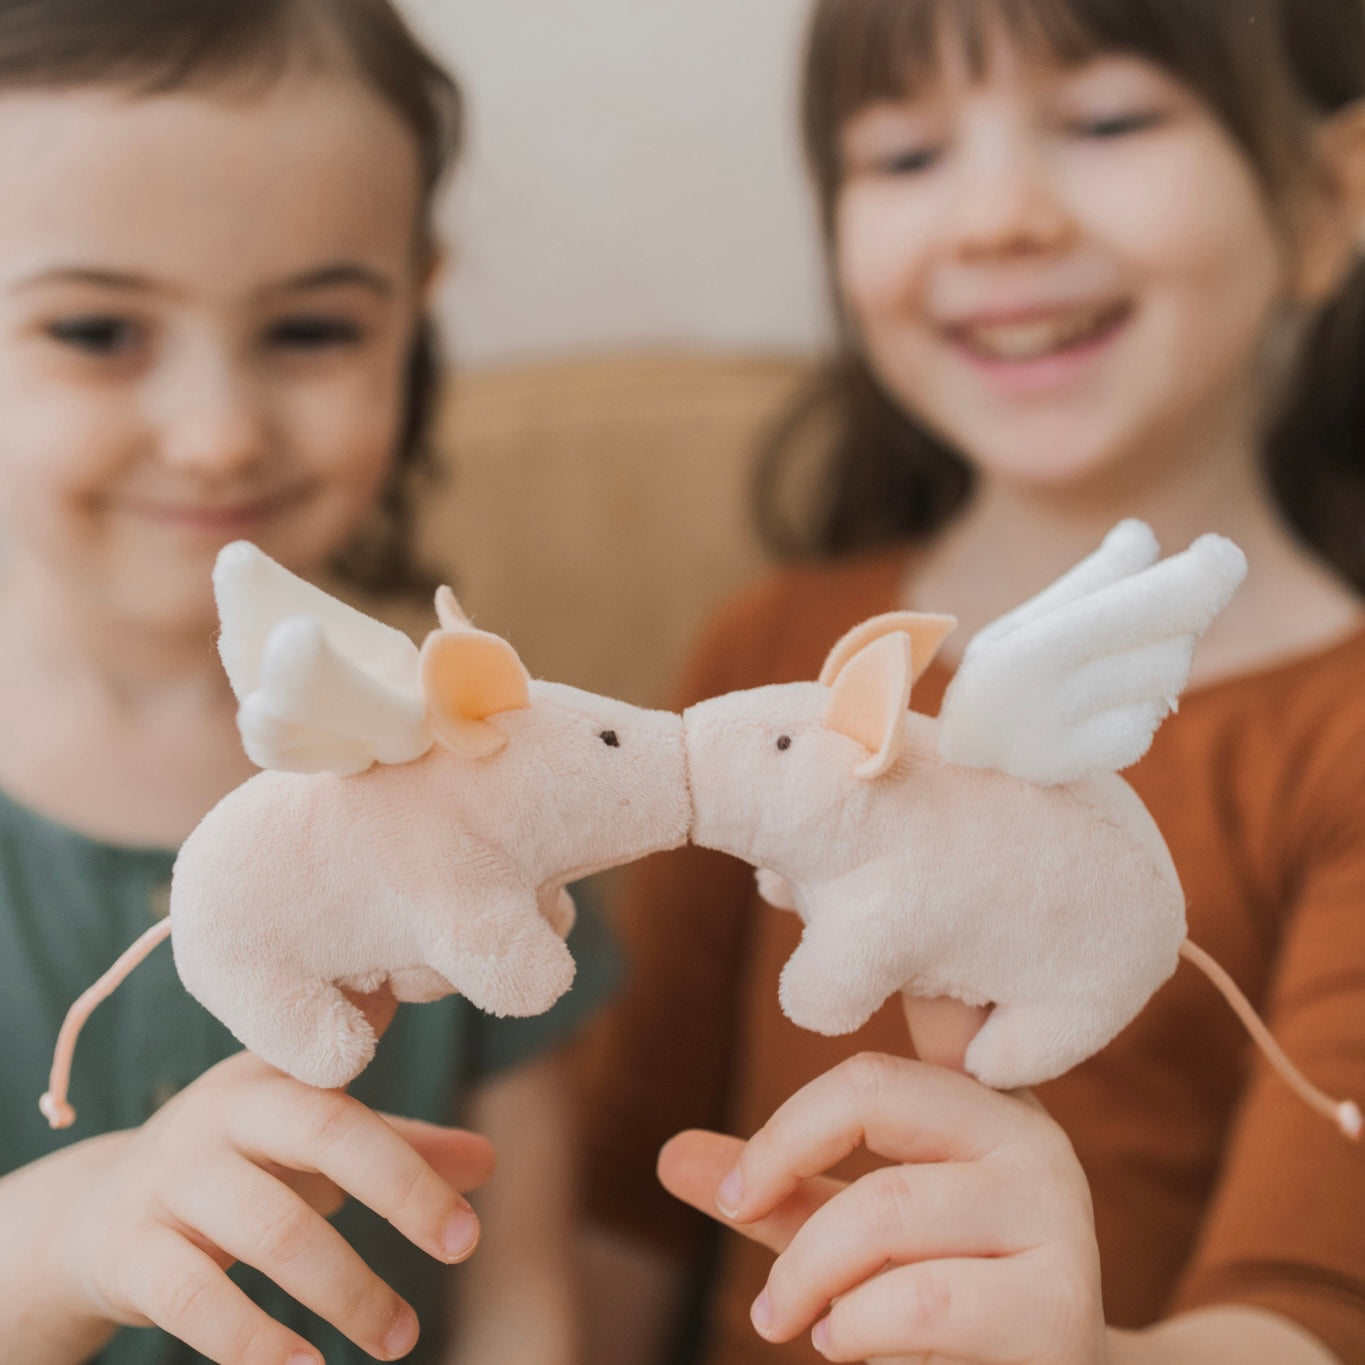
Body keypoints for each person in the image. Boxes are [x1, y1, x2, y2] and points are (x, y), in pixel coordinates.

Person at [579, 1, 1365, 1362]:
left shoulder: (1338, 734)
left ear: (1323, 198)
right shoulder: (765, 657)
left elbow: (1314, 1310)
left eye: (1107, 120)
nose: (995, 218)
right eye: (901, 156)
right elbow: (617, 1209)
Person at [0, 3, 616, 1363]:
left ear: (416, 308)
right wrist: (54, 1241)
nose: (218, 435)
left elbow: (526, 1299)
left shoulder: (500, 760)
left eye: (312, 331)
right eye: (97, 329)